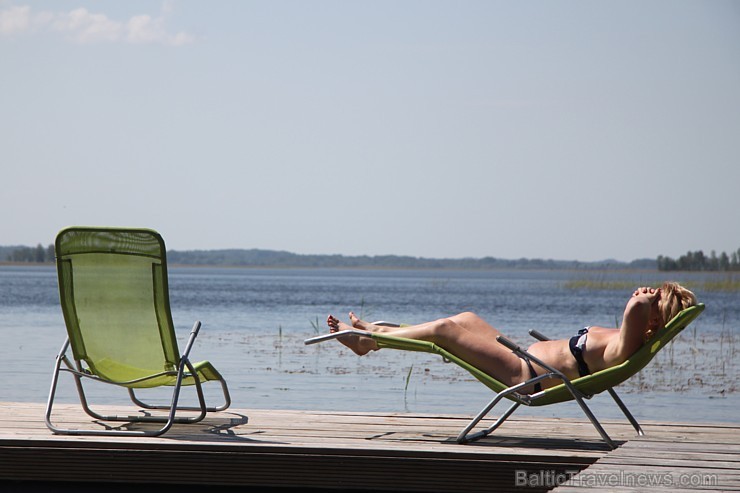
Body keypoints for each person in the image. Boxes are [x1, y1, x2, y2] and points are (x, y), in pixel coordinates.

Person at [326, 281, 697, 393]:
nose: (644, 293)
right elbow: (634, 314)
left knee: (444, 331)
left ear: (654, 321)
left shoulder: (627, 342)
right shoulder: (628, 338)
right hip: (523, 359)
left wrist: (643, 302)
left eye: (655, 298)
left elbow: (633, 312)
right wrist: (651, 302)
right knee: (466, 318)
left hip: (524, 378)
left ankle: (370, 340)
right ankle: (380, 332)